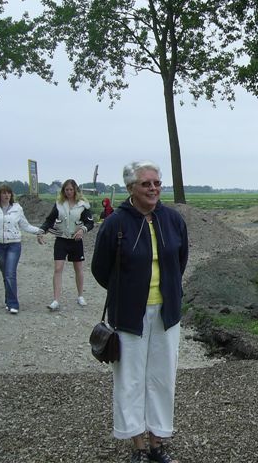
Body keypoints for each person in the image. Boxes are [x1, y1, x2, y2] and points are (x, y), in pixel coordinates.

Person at [92, 161, 188, 463]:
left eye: (157, 183)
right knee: (131, 380)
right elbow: (100, 269)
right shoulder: (115, 224)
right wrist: (128, 292)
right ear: (131, 188)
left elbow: (180, 260)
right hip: (129, 317)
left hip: (166, 313)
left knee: (162, 378)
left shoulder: (173, 220)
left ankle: (158, 441)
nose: (154, 189)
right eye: (147, 184)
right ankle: (138, 445)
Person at [37, 179, 94, 311]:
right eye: (66, 190)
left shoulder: (83, 205)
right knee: (58, 268)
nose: (68, 192)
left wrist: (82, 230)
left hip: (76, 241)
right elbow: (49, 220)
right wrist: (41, 231)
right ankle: (56, 300)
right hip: (61, 239)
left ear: (75, 190)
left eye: (71, 189)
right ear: (63, 191)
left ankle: (80, 296)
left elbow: (90, 223)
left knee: (78, 268)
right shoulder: (59, 204)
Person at [0, 184, 42, 314]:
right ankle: (8, 300)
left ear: (11, 195)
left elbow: (25, 225)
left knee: (10, 273)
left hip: (14, 245)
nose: (6, 195)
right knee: (5, 274)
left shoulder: (17, 208)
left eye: (9, 193)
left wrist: (40, 230)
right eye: (4, 193)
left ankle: (13, 304)